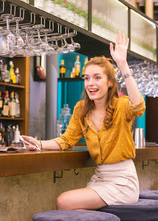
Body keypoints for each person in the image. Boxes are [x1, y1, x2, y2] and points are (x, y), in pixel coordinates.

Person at [22, 32, 145, 210]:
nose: (90, 83)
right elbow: (66, 140)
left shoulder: (122, 105)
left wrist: (123, 65)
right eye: (86, 78)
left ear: (110, 82)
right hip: (100, 178)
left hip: (123, 181)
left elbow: (139, 106)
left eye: (97, 77)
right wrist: (39, 144)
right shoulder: (81, 109)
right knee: (78, 214)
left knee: (64, 201)